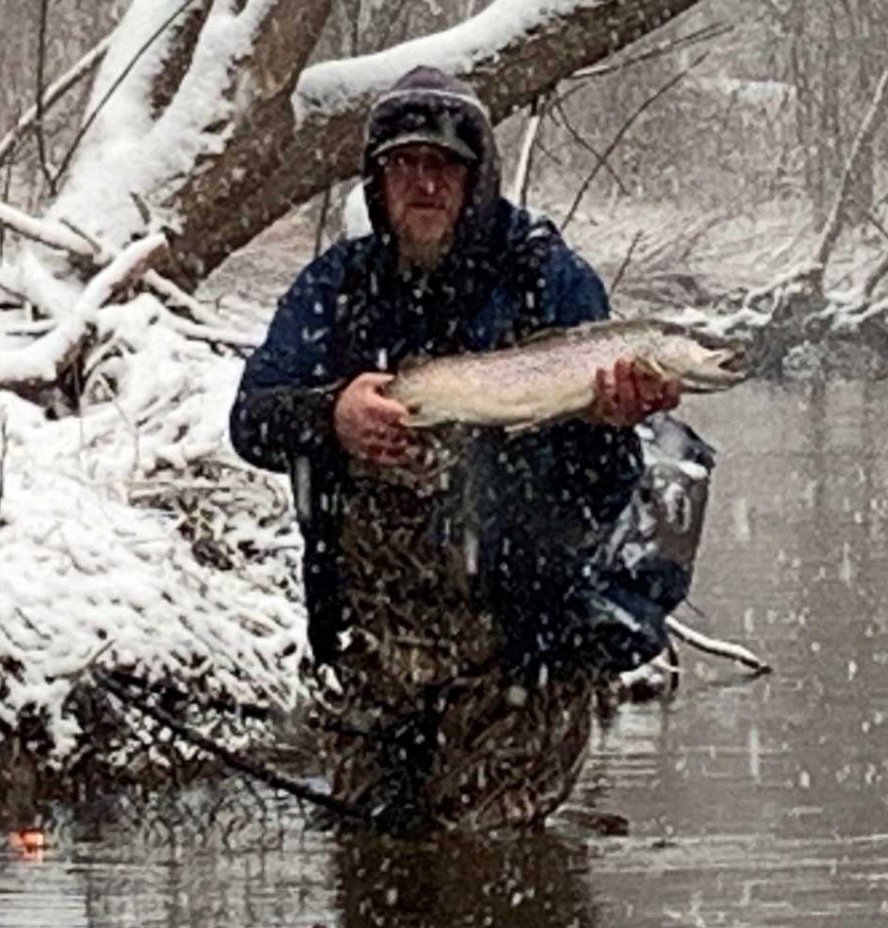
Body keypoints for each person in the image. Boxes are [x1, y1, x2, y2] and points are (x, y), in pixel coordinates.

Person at [229, 66, 685, 833]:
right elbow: (252, 419)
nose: (425, 183)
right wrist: (330, 414)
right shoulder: (337, 286)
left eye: (444, 164)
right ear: (376, 181)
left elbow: (604, 494)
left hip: (523, 648)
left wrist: (605, 424)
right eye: (405, 164)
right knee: (373, 849)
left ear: (478, 179)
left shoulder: (548, 281)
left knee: (482, 856)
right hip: (377, 652)